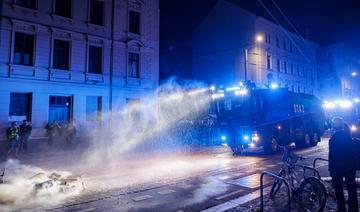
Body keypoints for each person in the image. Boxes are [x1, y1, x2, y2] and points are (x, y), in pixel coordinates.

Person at [329, 117, 359, 212]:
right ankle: (353, 209)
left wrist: (331, 170)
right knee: (351, 188)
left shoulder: (333, 139)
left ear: (334, 126)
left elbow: (332, 156)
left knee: (339, 190)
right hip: (350, 166)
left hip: (338, 168)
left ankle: (342, 209)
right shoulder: (348, 136)